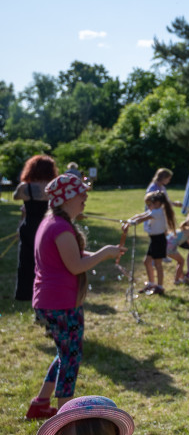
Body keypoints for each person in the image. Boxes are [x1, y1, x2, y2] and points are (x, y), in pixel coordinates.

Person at [27, 175, 124, 420]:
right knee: (71, 359)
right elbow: (75, 265)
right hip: (60, 304)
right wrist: (104, 253)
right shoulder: (59, 226)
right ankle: (65, 416)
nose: (85, 198)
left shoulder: (54, 222)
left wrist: (107, 253)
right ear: (67, 198)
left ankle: (40, 403)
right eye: (81, 194)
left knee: (65, 354)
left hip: (51, 301)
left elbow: (73, 255)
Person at [14, 154, 58, 301]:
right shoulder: (53, 187)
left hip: (29, 227)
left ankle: (25, 293)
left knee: (26, 261)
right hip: (47, 227)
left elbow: (16, 197)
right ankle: (47, 292)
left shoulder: (25, 187)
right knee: (46, 261)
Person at [126, 191, 176, 295]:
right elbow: (142, 215)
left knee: (158, 264)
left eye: (151, 204)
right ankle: (151, 283)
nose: (149, 206)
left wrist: (132, 222)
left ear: (157, 203)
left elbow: (142, 218)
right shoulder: (156, 210)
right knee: (147, 262)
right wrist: (130, 220)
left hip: (159, 240)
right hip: (154, 240)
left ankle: (160, 287)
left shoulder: (157, 212)